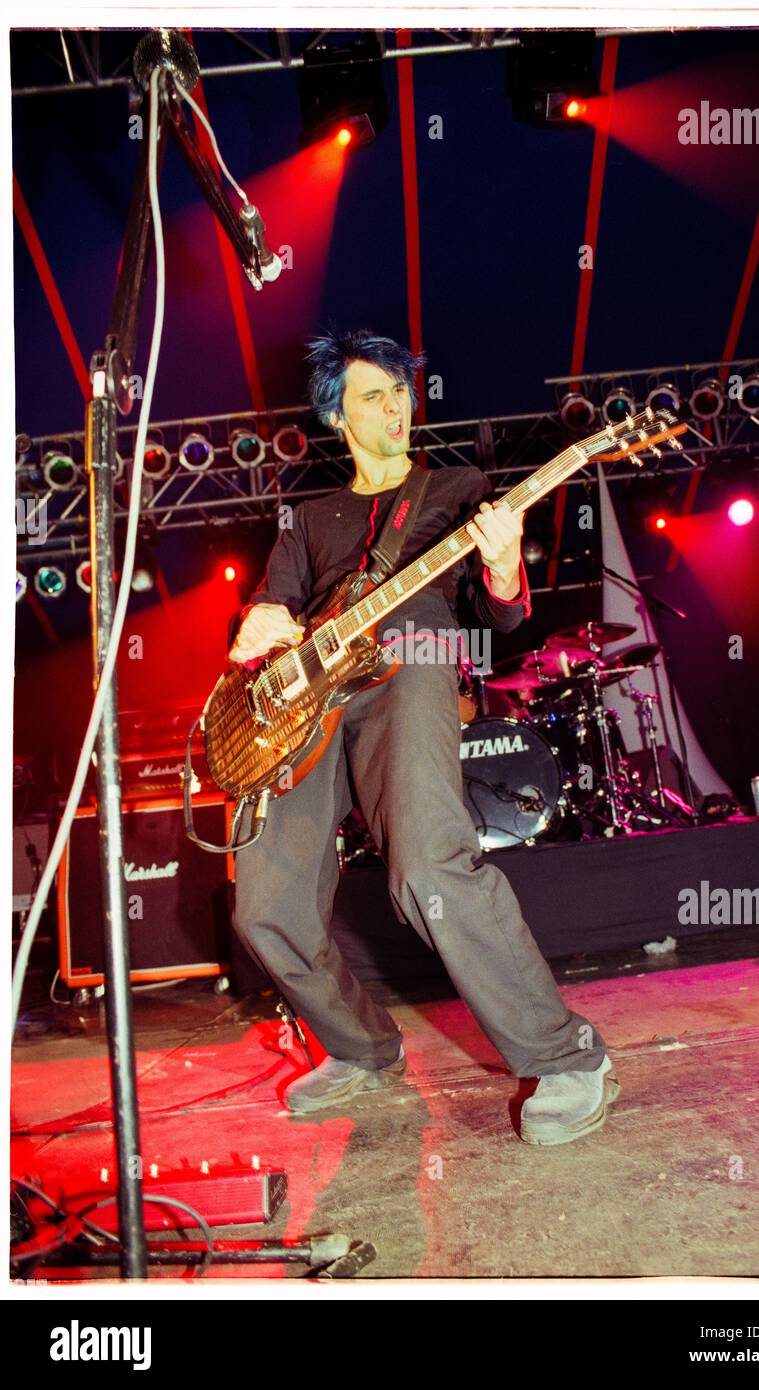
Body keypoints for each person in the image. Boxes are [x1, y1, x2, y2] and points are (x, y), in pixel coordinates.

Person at [229, 329, 618, 1145]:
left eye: (402, 392)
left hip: (414, 663)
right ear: (339, 416)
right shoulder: (308, 518)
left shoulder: (454, 488)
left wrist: (506, 566)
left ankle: (566, 1057)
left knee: (428, 865)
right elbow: (271, 616)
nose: (397, 406)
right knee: (265, 903)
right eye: (375, 395)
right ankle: (361, 1050)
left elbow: (500, 617)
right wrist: (257, 625)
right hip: (312, 699)